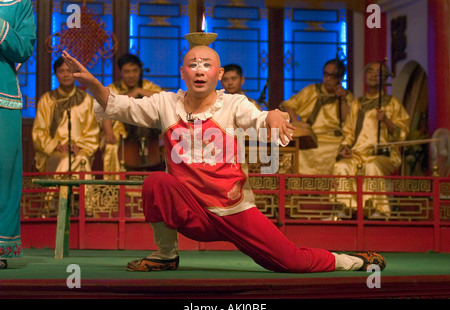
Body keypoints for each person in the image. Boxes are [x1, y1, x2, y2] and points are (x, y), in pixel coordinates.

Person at [61, 46, 386, 273]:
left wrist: (274, 115)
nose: (199, 70)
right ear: (182, 72)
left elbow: (260, 118)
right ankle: (165, 255)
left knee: (292, 262)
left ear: (218, 73)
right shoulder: (164, 103)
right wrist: (92, 84)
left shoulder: (233, 104)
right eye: (193, 64)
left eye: (207, 65)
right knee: (156, 181)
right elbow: (119, 105)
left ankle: (353, 261)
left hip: (233, 209)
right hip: (192, 211)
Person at [333, 61, 410, 218]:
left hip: (383, 154)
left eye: (379, 72)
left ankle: (378, 210)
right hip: (358, 153)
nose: (374, 75)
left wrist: (387, 121)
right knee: (341, 166)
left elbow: (403, 132)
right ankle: (347, 209)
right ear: (366, 76)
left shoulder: (392, 103)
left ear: (385, 78)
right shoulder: (357, 104)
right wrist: (346, 147)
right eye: (371, 71)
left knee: (372, 166)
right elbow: (348, 131)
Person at [0, 0, 36, 270]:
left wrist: (1, 28)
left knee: (4, 174)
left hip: (3, 99)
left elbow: (23, 49)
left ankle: (2, 245)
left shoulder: (20, 3)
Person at [280, 59, 354, 175]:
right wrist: (296, 123)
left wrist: (343, 100)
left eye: (332, 76)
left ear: (340, 78)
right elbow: (289, 105)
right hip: (311, 137)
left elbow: (348, 120)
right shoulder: (312, 90)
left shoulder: (347, 96)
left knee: (343, 153)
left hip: (333, 140)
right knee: (295, 152)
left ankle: (330, 189)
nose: (327, 79)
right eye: (325, 74)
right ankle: (299, 189)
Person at [32, 57, 100, 174]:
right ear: (56, 74)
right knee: (65, 160)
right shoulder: (47, 100)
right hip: (55, 150)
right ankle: (60, 193)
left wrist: (79, 146)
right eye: (61, 71)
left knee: (81, 159)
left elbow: (92, 131)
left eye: (69, 71)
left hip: (80, 149)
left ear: (75, 73)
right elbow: (39, 132)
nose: (66, 75)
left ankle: (82, 193)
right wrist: (57, 146)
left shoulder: (87, 100)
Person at [101, 53, 163, 174]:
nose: (131, 75)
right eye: (127, 71)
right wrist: (108, 133)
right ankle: (115, 187)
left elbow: (162, 99)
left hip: (149, 130)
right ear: (120, 72)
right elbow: (105, 111)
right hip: (120, 130)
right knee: (111, 147)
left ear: (140, 71)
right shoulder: (112, 89)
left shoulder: (147, 85)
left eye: (135, 71)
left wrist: (139, 91)